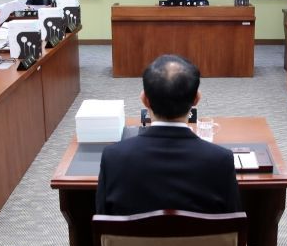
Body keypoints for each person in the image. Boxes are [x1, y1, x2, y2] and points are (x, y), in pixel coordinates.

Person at [96, 54, 242, 215]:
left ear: (144, 100)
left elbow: (103, 218)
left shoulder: (113, 157)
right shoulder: (221, 160)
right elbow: (232, 220)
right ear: (196, 99)